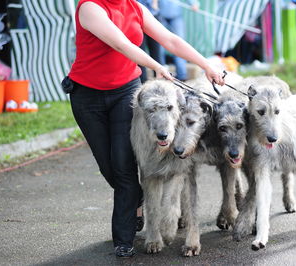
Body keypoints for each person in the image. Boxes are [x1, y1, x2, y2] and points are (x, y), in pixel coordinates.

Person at [67, 0, 224, 258]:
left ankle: (124, 239)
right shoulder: (89, 7)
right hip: (87, 97)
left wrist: (206, 65)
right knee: (109, 168)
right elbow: (120, 43)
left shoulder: (135, 7)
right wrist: (155, 65)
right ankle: (136, 201)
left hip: (126, 93)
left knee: (123, 164)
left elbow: (170, 40)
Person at [158, 0, 199, 80]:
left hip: (176, 15)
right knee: (159, 46)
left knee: (180, 44)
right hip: (159, 14)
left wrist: (194, 3)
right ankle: (161, 75)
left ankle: (182, 76)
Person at [137, 0, 162, 82]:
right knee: (140, 51)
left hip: (153, 14)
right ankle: (143, 82)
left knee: (156, 51)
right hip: (137, 15)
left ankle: (159, 81)